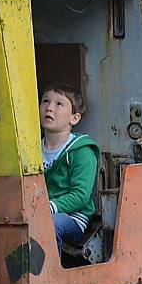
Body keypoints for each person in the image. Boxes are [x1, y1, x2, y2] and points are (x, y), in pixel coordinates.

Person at [40, 83, 100, 259]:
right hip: (40, 212)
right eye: (45, 101)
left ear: (74, 118)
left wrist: (49, 207)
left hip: (73, 217)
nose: (49, 108)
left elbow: (81, 195)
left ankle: (49, 281)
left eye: (59, 104)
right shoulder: (33, 149)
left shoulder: (81, 151)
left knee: (49, 224)